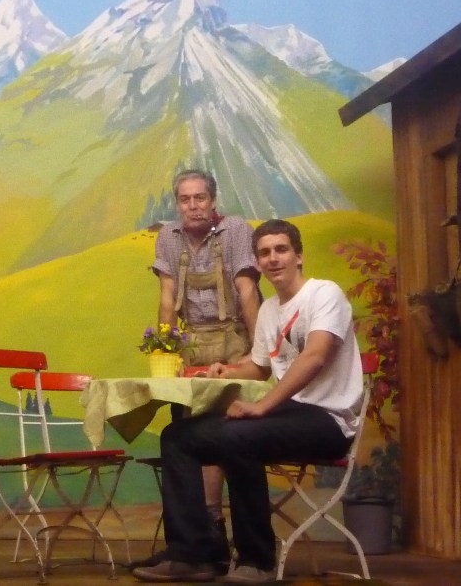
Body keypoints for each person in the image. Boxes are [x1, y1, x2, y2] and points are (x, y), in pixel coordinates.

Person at [133, 219, 364, 584]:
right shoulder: (270, 309)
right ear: (257, 262)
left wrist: (263, 406)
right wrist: (223, 372)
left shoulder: (324, 294)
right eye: (264, 253)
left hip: (328, 420)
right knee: (178, 437)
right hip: (288, 416)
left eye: (281, 250)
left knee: (238, 435)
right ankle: (194, 554)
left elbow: (315, 356)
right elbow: (258, 367)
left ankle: (257, 560)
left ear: (299, 256)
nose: (273, 259)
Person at [146, 169, 262, 567]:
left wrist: (258, 352)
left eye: (200, 198)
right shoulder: (169, 236)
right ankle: (197, 539)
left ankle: (219, 528)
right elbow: (167, 297)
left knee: (226, 432)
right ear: (177, 203)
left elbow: (247, 289)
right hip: (191, 341)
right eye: (185, 199)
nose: (193, 206)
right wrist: (166, 348)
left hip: (234, 337)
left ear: (213, 201)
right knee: (186, 430)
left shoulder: (235, 230)